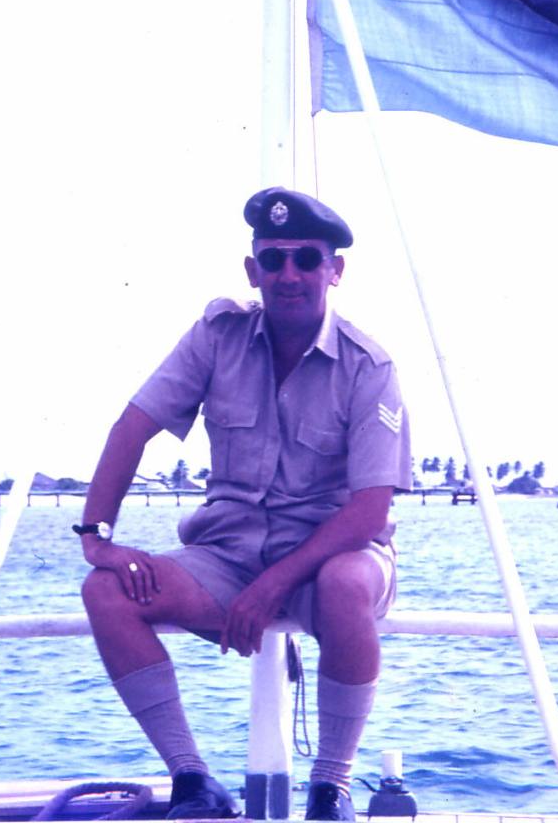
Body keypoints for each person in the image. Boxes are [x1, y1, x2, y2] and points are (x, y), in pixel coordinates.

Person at [77, 186, 411, 821]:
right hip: (227, 558)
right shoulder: (217, 336)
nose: (290, 274)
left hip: (330, 560)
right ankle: (194, 781)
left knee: (344, 583)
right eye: (274, 259)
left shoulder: (369, 366)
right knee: (107, 590)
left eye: (306, 259)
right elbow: (132, 427)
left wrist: (273, 584)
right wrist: (97, 537)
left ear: (335, 270)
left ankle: (330, 788)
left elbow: (369, 512)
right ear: (253, 270)